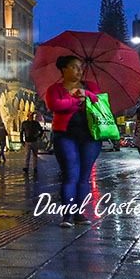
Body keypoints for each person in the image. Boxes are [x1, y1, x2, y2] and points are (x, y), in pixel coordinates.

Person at [44, 55, 102, 228]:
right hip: (65, 135)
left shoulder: (90, 86)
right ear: (64, 69)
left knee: (84, 177)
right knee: (71, 175)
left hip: (90, 136)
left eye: (80, 67)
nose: (79, 70)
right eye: (74, 67)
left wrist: (86, 94)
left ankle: (80, 213)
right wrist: (76, 100)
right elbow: (55, 105)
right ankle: (67, 215)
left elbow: (100, 102)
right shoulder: (54, 89)